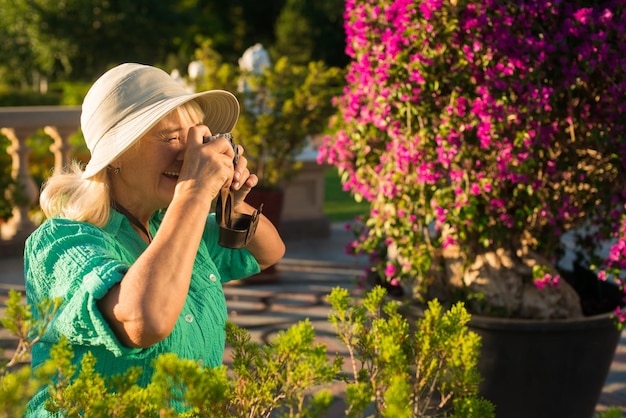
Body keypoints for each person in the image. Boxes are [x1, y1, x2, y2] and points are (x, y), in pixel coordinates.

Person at [23, 63, 285, 415]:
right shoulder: (59, 243)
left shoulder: (169, 223)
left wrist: (231, 204)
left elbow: (269, 252)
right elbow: (143, 320)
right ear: (117, 154)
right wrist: (194, 192)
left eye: (197, 138)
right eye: (172, 138)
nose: (189, 153)